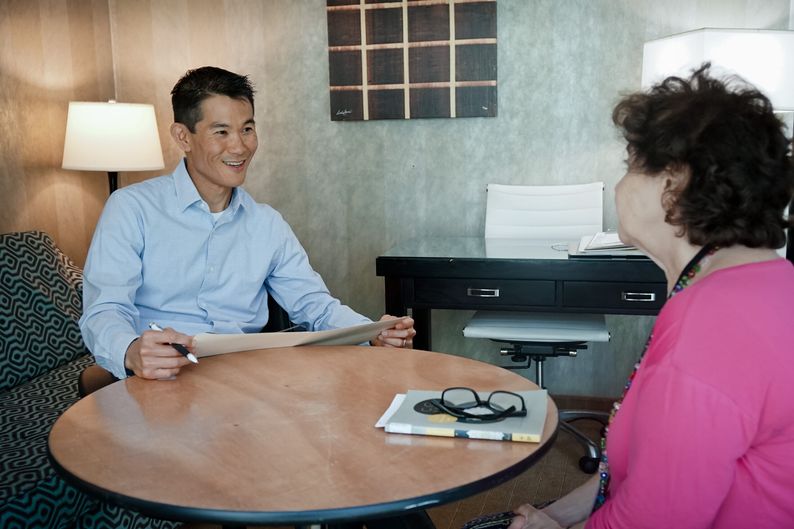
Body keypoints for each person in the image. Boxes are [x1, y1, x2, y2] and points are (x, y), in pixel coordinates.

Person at [466, 64, 794, 529]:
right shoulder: (762, 282)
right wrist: (553, 515)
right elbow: (642, 477)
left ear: (673, 183)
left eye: (631, 166)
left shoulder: (712, 332)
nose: (619, 186)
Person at [79, 66, 416, 381]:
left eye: (247, 129)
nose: (239, 146)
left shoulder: (266, 223)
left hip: (243, 379)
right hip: (159, 377)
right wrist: (130, 350)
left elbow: (313, 303)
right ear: (183, 137)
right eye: (221, 132)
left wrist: (372, 332)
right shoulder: (131, 208)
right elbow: (104, 310)